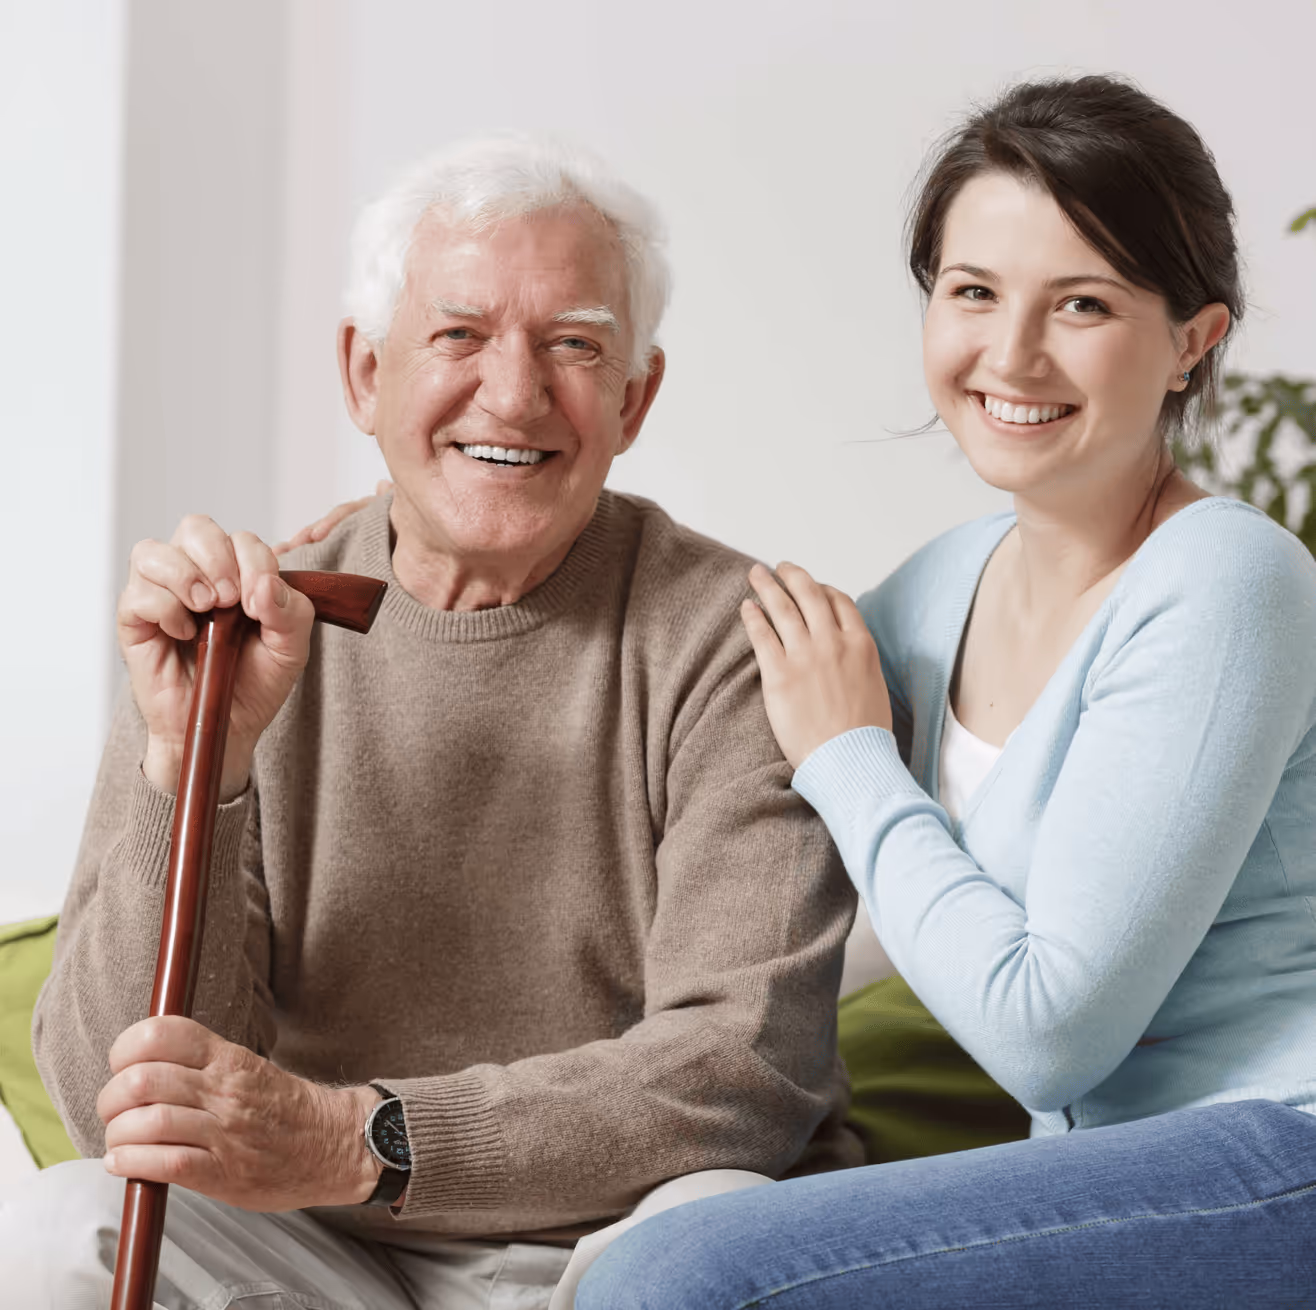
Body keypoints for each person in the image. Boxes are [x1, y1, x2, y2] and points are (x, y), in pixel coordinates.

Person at [1, 136, 861, 1308]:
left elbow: (740, 1066)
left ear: (635, 396)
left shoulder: (733, 637)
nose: (511, 394)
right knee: (61, 1226)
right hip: (317, 1257)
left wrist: (368, 1136)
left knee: (714, 1235)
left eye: (573, 345)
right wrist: (192, 764)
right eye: (457, 334)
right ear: (364, 373)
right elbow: (120, 1095)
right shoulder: (235, 624)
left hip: (606, 1255)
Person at [576, 74, 1316, 1308]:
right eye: (972, 292)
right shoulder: (935, 591)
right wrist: (411, 538)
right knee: (676, 1212)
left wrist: (853, 756)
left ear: (1194, 338)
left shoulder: (1227, 581)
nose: (1010, 354)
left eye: (1080, 303)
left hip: (1276, 1150)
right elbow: (699, 684)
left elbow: (1045, 1034)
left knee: (684, 1278)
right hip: (1106, 1168)